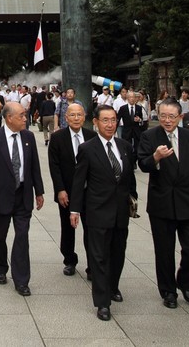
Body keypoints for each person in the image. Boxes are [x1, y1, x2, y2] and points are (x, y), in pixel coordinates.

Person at [137, 98, 189, 309]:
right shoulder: (149, 136)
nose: (167, 120)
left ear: (180, 117)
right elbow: (143, 164)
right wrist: (156, 157)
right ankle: (168, 290)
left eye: (171, 116)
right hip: (162, 203)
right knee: (164, 250)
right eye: (163, 116)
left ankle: (186, 283)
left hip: (188, 200)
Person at [69, 104, 137, 321]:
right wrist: (75, 210)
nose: (110, 124)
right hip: (97, 211)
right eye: (105, 120)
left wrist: (133, 200)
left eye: (113, 120)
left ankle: (113, 286)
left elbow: (129, 179)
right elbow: (79, 182)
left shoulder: (125, 146)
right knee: (98, 257)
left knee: (118, 253)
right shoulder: (88, 149)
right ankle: (102, 302)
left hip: (120, 212)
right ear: (96, 123)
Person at [0, 101, 45, 296]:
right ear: (9, 118)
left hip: (23, 195)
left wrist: (39, 191)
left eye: (25, 115)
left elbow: (34, 167)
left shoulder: (28, 137)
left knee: (22, 236)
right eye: (21, 115)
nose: (25, 118)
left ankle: (22, 280)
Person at [47, 102, 96, 277]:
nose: (76, 118)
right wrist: (60, 189)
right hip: (66, 191)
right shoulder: (58, 137)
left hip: (89, 191)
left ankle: (93, 266)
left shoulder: (92, 136)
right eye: (72, 115)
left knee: (91, 229)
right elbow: (54, 166)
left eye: (79, 115)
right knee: (67, 228)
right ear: (66, 118)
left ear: (84, 117)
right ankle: (69, 260)